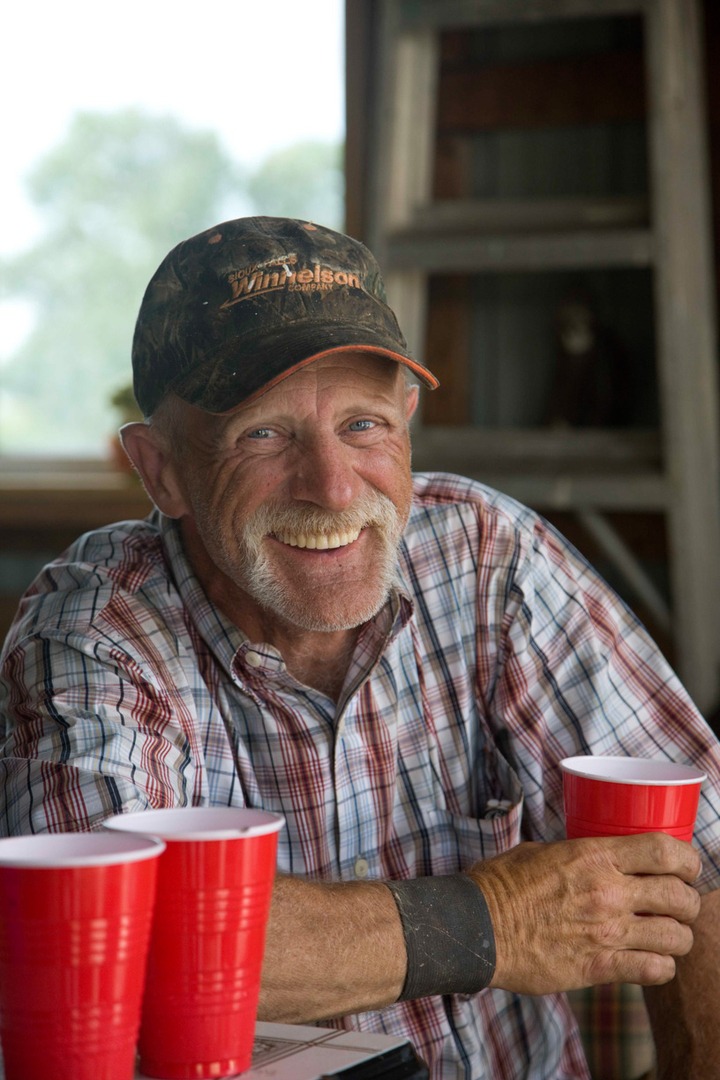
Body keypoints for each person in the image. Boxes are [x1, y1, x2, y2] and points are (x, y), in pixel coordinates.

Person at [1, 216, 719, 1080]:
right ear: (162, 471)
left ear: (409, 417)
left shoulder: (489, 556)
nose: (334, 488)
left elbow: (703, 860)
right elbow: (110, 942)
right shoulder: (96, 628)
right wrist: (495, 922)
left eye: (365, 425)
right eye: (264, 435)